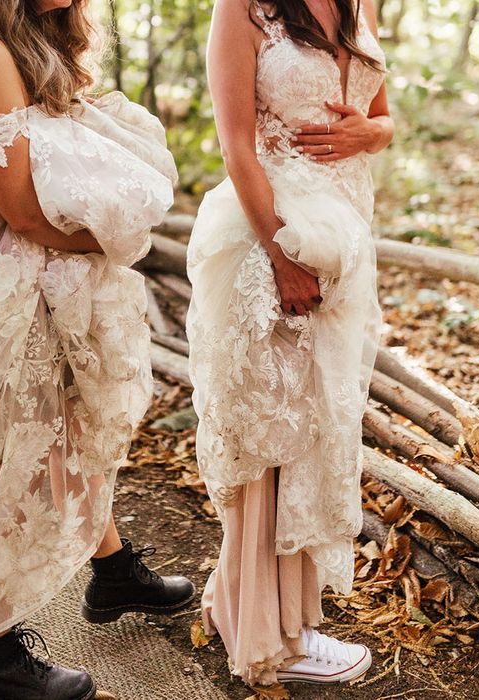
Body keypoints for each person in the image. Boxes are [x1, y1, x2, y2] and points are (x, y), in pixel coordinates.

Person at [0, 1, 194, 699]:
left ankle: (111, 574)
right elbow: (21, 210)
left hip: (33, 270)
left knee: (66, 426)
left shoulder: (31, 32)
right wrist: (119, 240)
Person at [186, 0, 394, 688]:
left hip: (343, 236)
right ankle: (268, 637)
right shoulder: (243, 8)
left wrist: (369, 135)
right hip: (269, 233)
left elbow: (386, 119)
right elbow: (236, 144)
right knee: (270, 434)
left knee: (311, 429)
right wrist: (282, 255)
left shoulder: (356, 3)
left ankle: (255, 607)